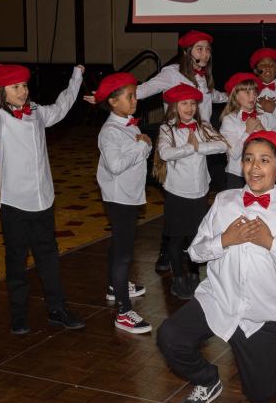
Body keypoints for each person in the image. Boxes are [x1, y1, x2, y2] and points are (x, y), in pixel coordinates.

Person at [156, 130, 276, 403]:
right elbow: (195, 252)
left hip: (263, 312)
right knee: (169, 337)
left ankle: (274, 351)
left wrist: (272, 243)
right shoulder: (224, 201)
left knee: (261, 394)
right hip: (219, 299)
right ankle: (207, 380)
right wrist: (224, 240)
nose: (254, 167)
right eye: (248, 159)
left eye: (264, 160)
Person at [84, 30, 226, 274]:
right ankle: (166, 251)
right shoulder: (172, 74)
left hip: (201, 137)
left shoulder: (205, 79)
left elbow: (213, 96)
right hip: (174, 138)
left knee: (196, 199)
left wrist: (236, 95)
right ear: (187, 51)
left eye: (207, 48)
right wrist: (103, 96)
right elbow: (142, 90)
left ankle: (190, 256)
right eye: (199, 48)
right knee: (175, 198)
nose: (204, 53)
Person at [0, 63, 86, 335]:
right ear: (2, 90)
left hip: (44, 202)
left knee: (48, 258)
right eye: (15, 87)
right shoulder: (0, 120)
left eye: (24, 85)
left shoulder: (36, 112)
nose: (23, 91)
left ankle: (57, 309)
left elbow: (61, 107)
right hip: (15, 205)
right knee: (16, 262)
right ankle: (18, 314)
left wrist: (76, 77)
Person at [153, 83, 228, 300]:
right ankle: (178, 279)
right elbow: (166, 153)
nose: (189, 107)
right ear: (174, 106)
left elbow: (223, 145)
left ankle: (194, 275)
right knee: (177, 237)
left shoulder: (202, 126)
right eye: (184, 103)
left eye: (193, 103)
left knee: (196, 237)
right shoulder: (167, 128)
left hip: (199, 191)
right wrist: (188, 147)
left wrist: (199, 147)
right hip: (177, 192)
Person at [94, 72, 152, 334]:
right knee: (124, 254)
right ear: (113, 102)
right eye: (130, 96)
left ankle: (112, 286)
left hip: (128, 195)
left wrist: (143, 145)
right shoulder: (110, 132)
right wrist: (142, 147)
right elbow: (116, 165)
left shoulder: (128, 123)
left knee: (119, 243)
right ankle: (123, 311)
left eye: (135, 94)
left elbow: (139, 149)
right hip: (119, 198)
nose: (135, 100)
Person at [219, 72, 275, 190]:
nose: (253, 96)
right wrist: (248, 132)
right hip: (237, 175)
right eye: (247, 92)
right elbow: (234, 154)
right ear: (235, 95)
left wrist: (262, 131)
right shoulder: (229, 120)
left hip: (261, 174)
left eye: (254, 92)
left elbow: (274, 149)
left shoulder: (263, 117)